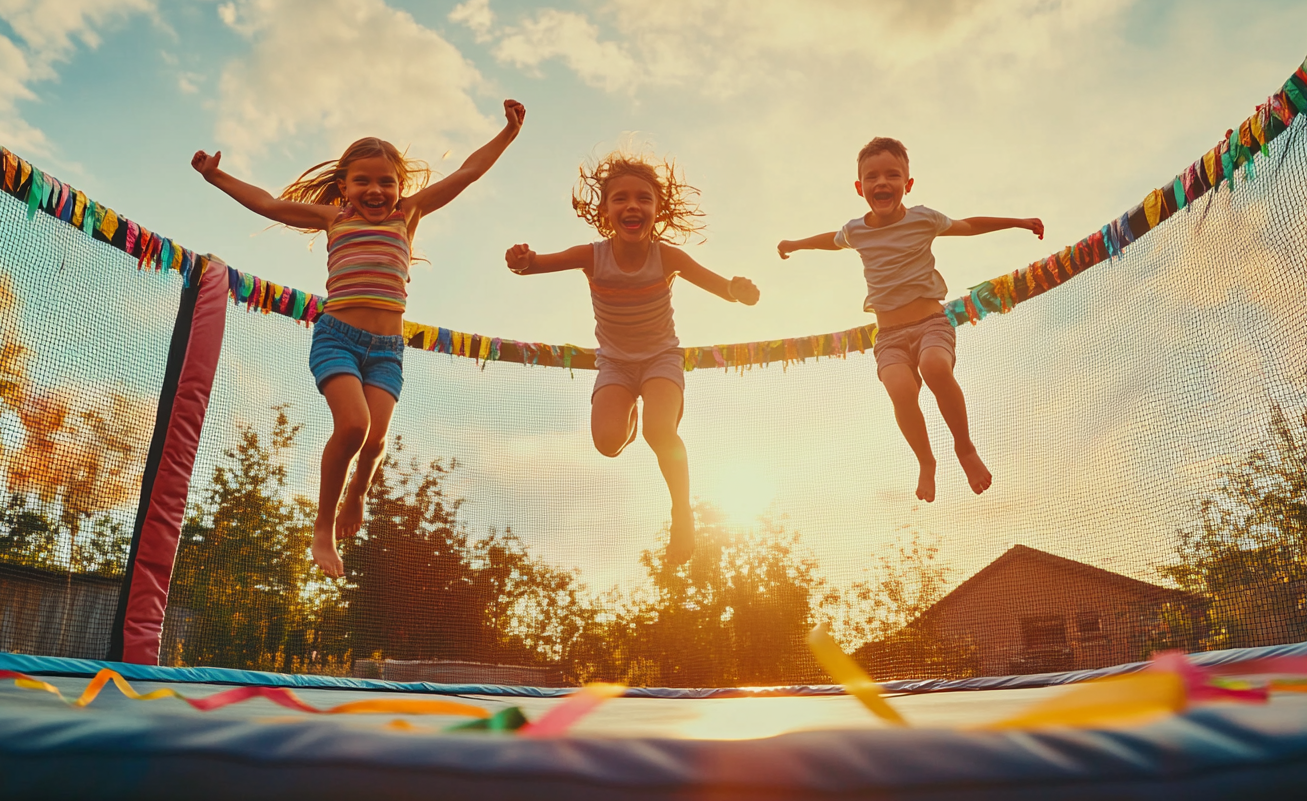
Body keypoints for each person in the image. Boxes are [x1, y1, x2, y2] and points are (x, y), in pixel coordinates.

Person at [192, 99, 526, 578]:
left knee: (374, 442)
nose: (375, 189)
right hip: (338, 340)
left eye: (386, 181)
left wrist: (507, 134)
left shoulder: (407, 216)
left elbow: (468, 172)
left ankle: (358, 494)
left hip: (387, 352)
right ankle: (323, 526)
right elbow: (268, 203)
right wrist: (216, 177)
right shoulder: (334, 219)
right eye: (363, 181)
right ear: (344, 185)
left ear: (400, 187)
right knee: (354, 427)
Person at [505, 152, 759, 564]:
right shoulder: (592, 256)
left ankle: (682, 512)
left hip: (661, 360)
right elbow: (534, 266)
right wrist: (521, 260)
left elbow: (721, 286)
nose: (632, 206)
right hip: (617, 365)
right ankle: (630, 413)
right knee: (607, 443)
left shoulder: (668, 258)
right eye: (620, 199)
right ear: (605, 211)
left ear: (657, 210)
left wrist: (738, 290)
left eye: (643, 198)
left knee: (659, 433)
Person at [777, 137, 1042, 502]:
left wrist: (1018, 222)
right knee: (900, 390)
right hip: (888, 337)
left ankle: (964, 448)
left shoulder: (924, 219)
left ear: (907, 184)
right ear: (860, 188)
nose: (881, 183)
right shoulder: (856, 230)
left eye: (892, 175)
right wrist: (795, 244)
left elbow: (968, 225)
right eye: (872, 177)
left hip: (931, 323)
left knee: (935, 366)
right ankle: (926, 461)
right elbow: (829, 240)